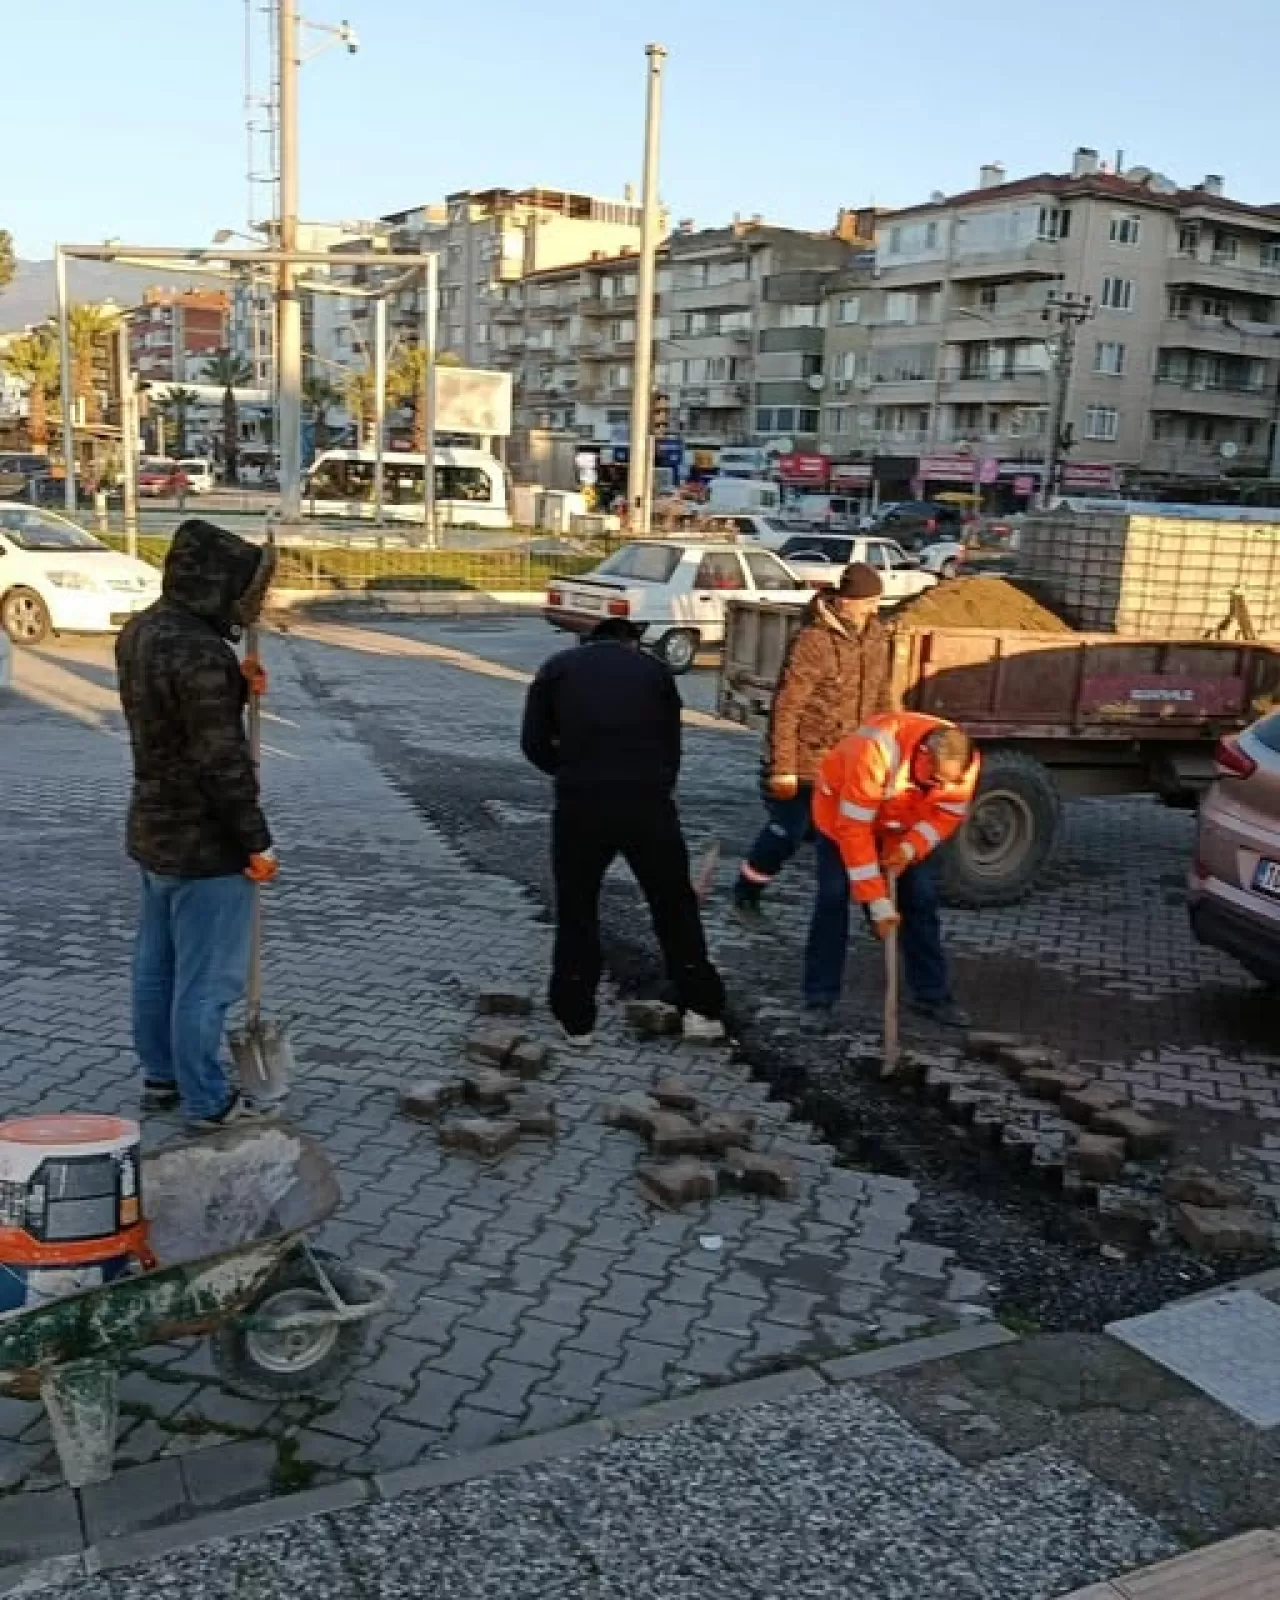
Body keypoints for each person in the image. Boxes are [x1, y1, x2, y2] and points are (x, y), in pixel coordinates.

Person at [116, 519, 278, 1130]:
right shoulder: (202, 652)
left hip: (153, 831)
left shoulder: (142, 631)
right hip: (207, 845)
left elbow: (171, 716)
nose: (244, 602)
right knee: (206, 982)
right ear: (213, 584)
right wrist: (256, 841)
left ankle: (161, 1078)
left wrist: (234, 690)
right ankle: (207, 1101)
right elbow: (221, 763)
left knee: (157, 965)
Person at [521, 617, 727, 1045]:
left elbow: (533, 743)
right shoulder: (654, 671)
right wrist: (656, 782)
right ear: (632, 641)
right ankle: (701, 1011)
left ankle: (575, 1020)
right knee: (674, 907)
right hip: (647, 805)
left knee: (577, 910)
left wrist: (569, 772)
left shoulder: (555, 668)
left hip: (580, 806)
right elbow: (673, 743)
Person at [733, 562, 892, 921]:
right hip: (808, 759)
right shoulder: (814, 640)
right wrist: (783, 768)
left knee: (854, 835)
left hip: (852, 761)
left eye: (878, 601)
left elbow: (882, 693)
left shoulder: (876, 636)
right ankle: (747, 891)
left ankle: (871, 909)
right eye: (870, 601)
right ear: (847, 601)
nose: (875, 609)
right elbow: (787, 706)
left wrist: (889, 743)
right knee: (789, 831)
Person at [805, 712, 979, 1030]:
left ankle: (931, 994)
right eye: (937, 779)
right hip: (841, 817)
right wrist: (877, 901)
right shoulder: (873, 752)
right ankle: (819, 997)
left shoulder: (962, 761)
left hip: (899, 826)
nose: (942, 786)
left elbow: (947, 813)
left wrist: (910, 848)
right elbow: (854, 831)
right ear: (923, 755)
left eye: (948, 781)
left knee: (922, 898)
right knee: (833, 897)